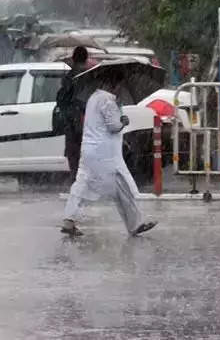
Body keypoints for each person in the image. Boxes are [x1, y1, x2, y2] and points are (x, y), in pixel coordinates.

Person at [60, 71, 157, 238]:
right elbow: (113, 126)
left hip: (91, 150)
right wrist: (123, 121)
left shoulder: (93, 98)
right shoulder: (107, 100)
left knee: (82, 184)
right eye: (120, 86)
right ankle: (135, 224)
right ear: (114, 84)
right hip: (105, 154)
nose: (121, 90)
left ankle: (69, 219)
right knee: (123, 186)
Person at [53, 46, 91, 179]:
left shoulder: (69, 76)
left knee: (73, 155)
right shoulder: (90, 76)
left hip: (71, 121)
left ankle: (76, 180)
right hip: (86, 122)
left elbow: (61, 100)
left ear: (74, 58)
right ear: (86, 58)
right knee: (85, 156)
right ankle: (84, 181)